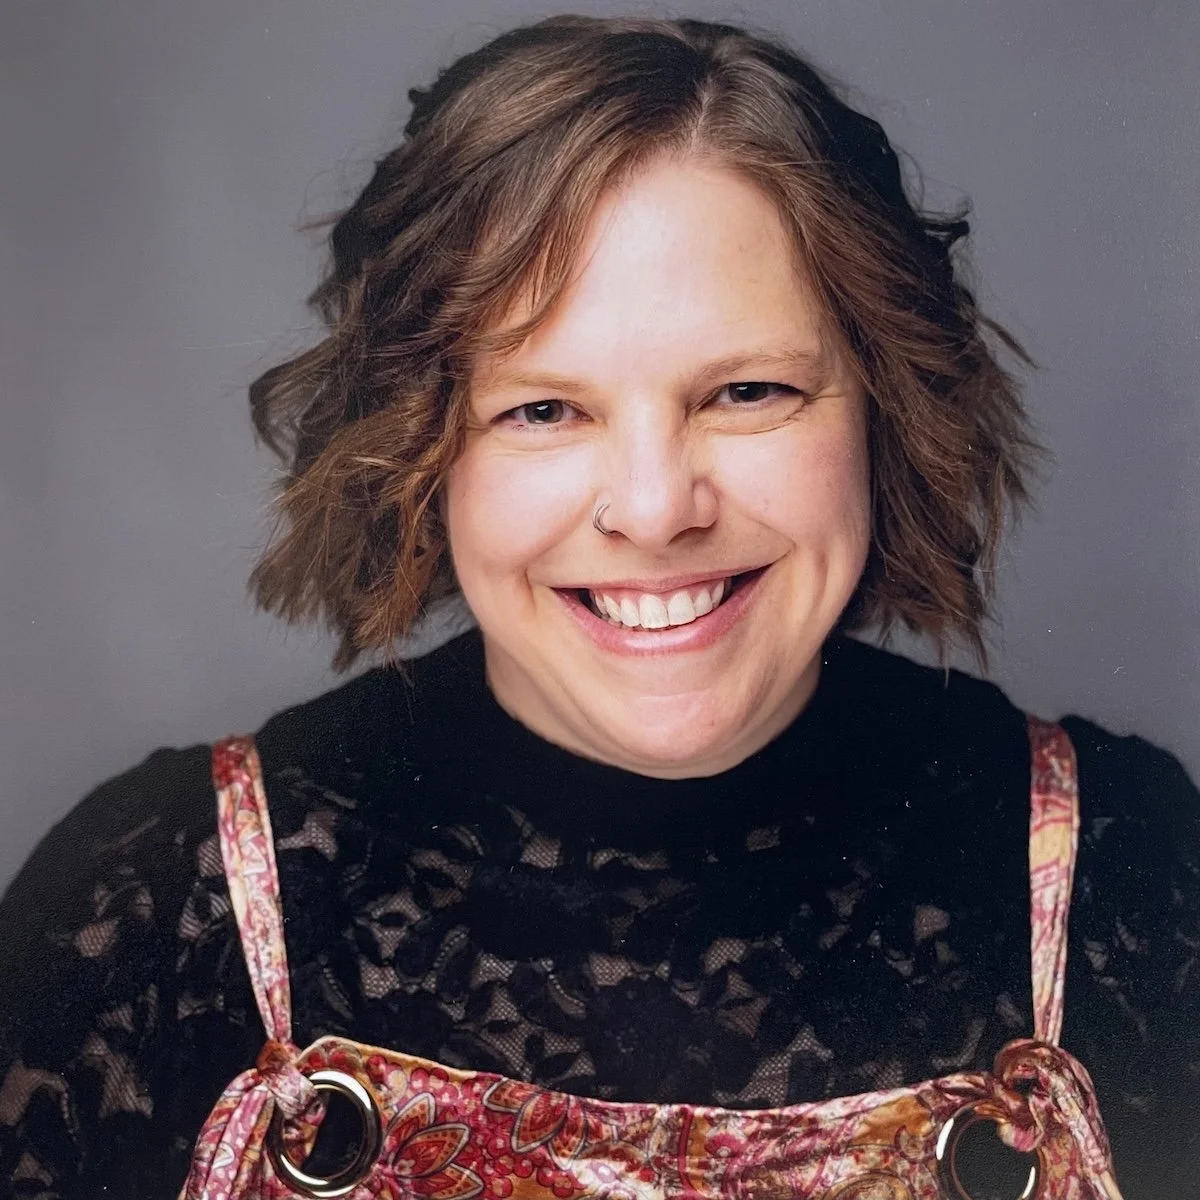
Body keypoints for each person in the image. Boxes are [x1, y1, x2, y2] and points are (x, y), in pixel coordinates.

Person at [0, 13, 1196, 1199]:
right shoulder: (159, 914)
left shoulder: (1130, 872)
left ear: (885, 407)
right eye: (544, 410)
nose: (655, 508)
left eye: (747, 390)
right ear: (419, 452)